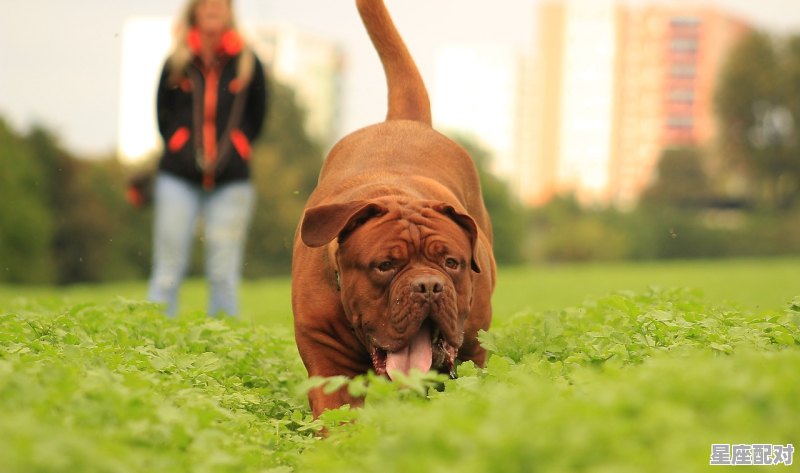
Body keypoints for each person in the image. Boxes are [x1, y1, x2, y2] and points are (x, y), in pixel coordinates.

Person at [148, 0, 267, 317]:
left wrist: (238, 146)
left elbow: (258, 115)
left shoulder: (248, 61)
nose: (213, 8)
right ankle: (149, 337)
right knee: (168, 267)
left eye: (220, 4)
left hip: (231, 181)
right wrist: (180, 144)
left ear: (229, 12)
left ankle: (225, 346)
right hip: (177, 177)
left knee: (223, 272)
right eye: (206, 4)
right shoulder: (177, 61)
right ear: (195, 12)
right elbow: (163, 114)